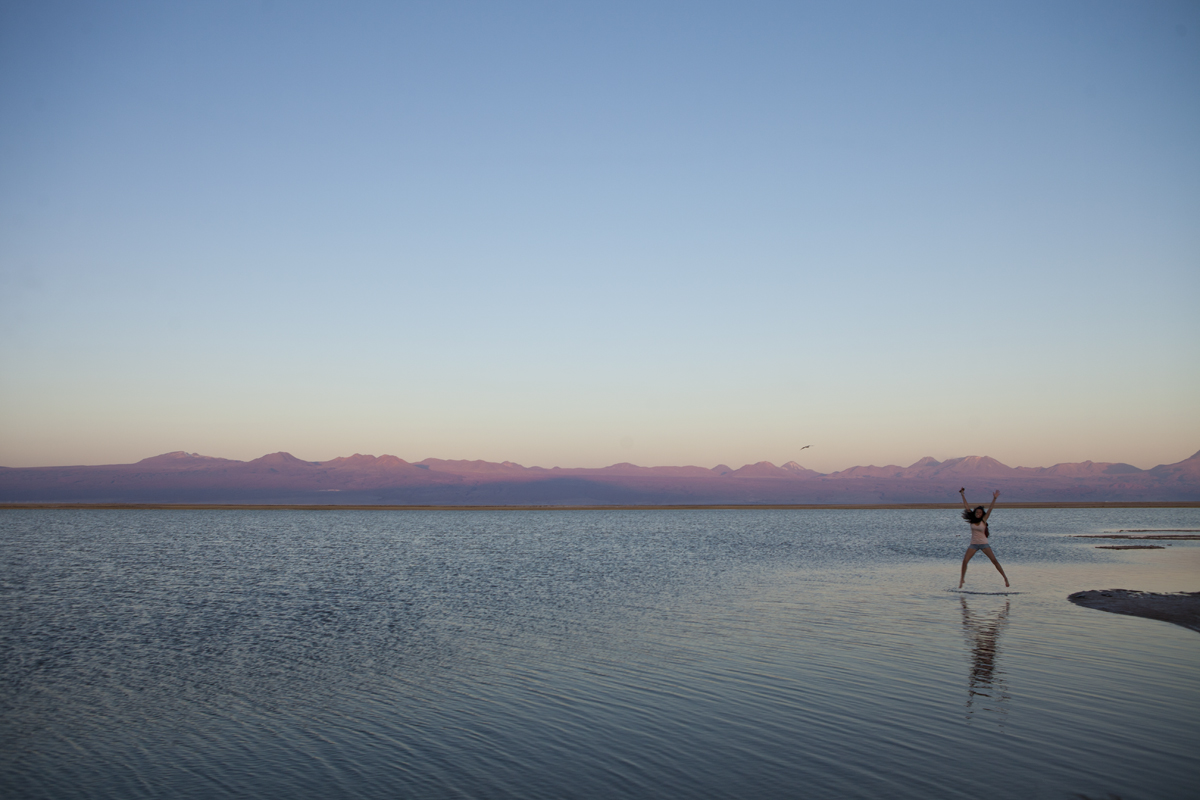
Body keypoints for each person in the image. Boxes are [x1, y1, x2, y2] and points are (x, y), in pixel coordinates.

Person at [958, 488, 1009, 589]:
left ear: (982, 514)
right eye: (977, 512)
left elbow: (990, 509)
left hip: (984, 544)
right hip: (973, 544)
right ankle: (962, 579)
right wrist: (962, 494)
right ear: (975, 512)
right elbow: (966, 507)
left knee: (994, 561)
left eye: (980, 512)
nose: (978, 513)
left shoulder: (984, 520)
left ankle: (1005, 578)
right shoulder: (972, 520)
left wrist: (994, 498)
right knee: (965, 561)